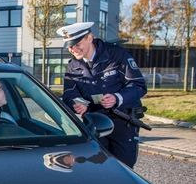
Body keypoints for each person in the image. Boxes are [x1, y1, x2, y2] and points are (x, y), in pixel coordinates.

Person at [58, 22, 147, 168]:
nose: (73, 49)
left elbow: (138, 86)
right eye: (69, 46)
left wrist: (117, 98)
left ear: (90, 37)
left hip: (122, 120)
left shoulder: (117, 55)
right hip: (95, 122)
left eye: (77, 44)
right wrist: (75, 104)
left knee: (124, 166)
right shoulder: (72, 65)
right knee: (97, 165)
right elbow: (69, 94)